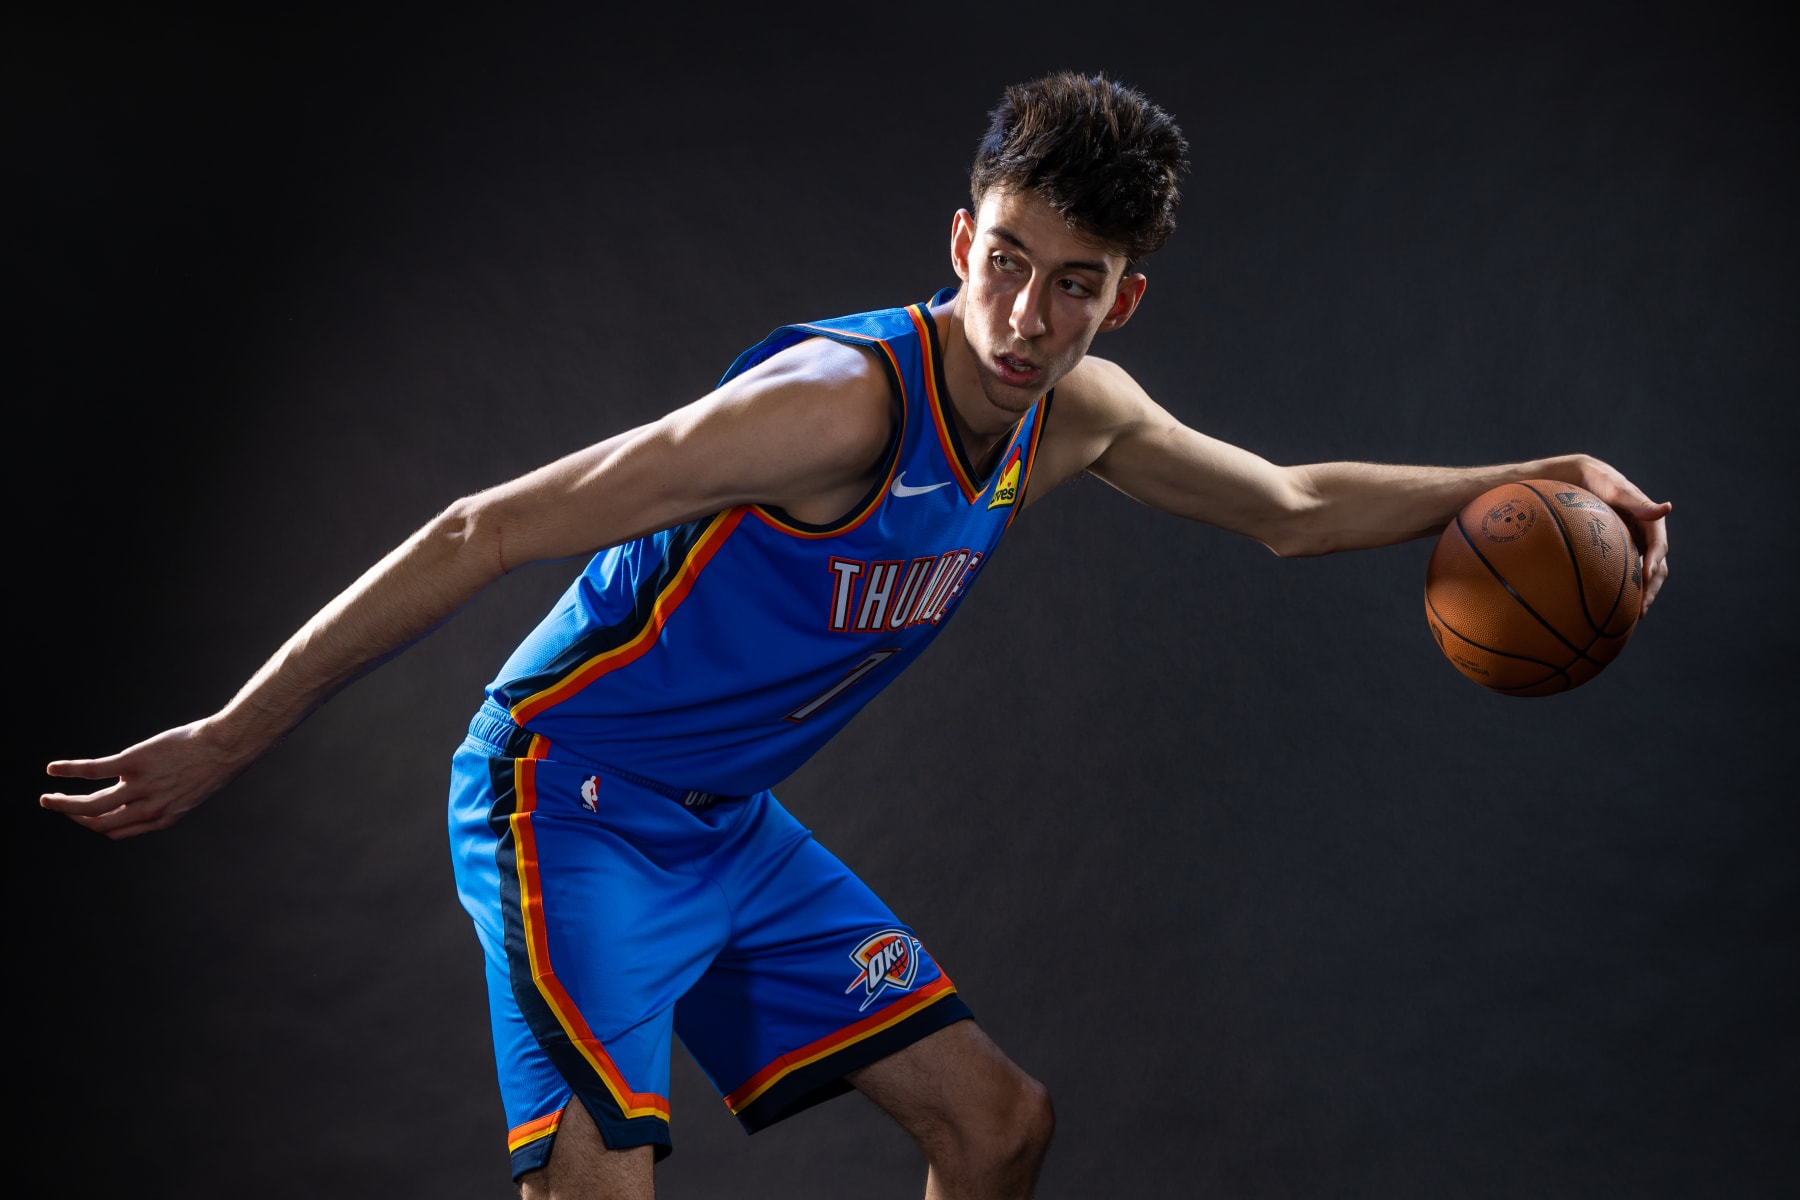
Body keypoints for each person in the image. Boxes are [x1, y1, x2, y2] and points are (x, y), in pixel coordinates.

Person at [40, 72, 1670, 1200]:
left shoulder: (1077, 415)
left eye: (1075, 285)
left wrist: (1534, 479)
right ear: (963, 242)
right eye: (1007, 265)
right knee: (602, 1181)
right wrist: (229, 737)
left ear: (1121, 301)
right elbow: (485, 527)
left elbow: (1292, 506)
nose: (1026, 317)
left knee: (1000, 1130)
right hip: (565, 798)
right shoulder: (829, 408)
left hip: (724, 828)